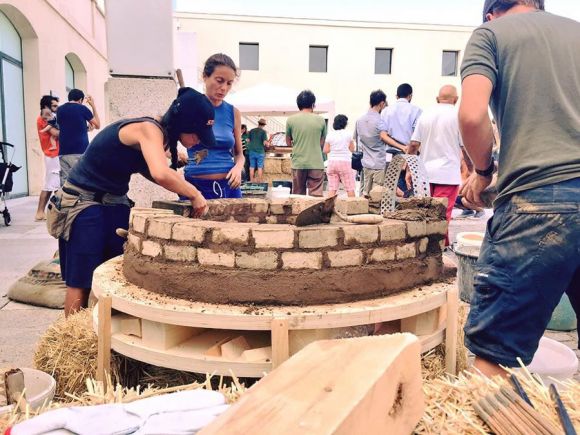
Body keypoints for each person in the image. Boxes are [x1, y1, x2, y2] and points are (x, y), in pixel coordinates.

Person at [459, 0, 580, 378]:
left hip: (539, 202)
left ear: (491, 12)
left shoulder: (491, 35)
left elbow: (472, 115)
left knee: (496, 354)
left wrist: (482, 171)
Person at [51, 87, 214, 316]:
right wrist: (195, 194)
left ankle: (105, 330)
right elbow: (159, 173)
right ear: (182, 123)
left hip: (114, 202)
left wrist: (183, 188)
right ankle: (72, 334)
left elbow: (151, 171)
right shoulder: (148, 129)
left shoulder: (161, 138)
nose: (198, 140)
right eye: (197, 133)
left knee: (114, 273)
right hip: (84, 203)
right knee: (82, 278)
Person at [183, 53, 244, 199]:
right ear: (205, 76)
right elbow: (163, 141)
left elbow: (239, 154)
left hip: (229, 186)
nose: (223, 88)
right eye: (219, 80)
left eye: (229, 83)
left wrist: (238, 168)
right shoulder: (189, 107)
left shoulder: (233, 112)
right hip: (194, 188)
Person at [408, 85, 464, 246]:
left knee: (425, 212)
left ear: (437, 98)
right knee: (442, 214)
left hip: (425, 174)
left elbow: (413, 144)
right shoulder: (458, 115)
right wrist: (474, 171)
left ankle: (428, 245)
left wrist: (410, 168)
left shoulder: (425, 114)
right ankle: (437, 248)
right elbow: (465, 148)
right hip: (448, 174)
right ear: (456, 99)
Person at [285, 90, 327, 196]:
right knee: (316, 196)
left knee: (298, 196)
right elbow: (321, 143)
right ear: (313, 104)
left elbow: (288, 142)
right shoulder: (321, 120)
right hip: (316, 162)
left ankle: (299, 213)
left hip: (298, 162)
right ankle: (315, 213)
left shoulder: (290, 120)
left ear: (298, 105)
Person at [56, 89, 100, 185]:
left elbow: (67, 127)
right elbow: (97, 125)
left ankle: (65, 199)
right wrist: (93, 105)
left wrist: (86, 128)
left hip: (63, 152)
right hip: (80, 151)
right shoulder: (82, 108)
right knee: (81, 182)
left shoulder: (59, 110)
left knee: (65, 183)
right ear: (80, 99)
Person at [354, 90, 390, 197]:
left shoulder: (359, 120)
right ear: (382, 104)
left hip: (365, 162)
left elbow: (356, 140)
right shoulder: (380, 121)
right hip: (378, 162)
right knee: (376, 195)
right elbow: (384, 137)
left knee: (365, 193)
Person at [35, 95, 60, 221]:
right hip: (52, 154)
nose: (56, 108)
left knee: (52, 184)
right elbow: (55, 133)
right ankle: (41, 212)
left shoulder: (50, 116)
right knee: (52, 184)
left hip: (54, 154)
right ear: (46, 106)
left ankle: (41, 212)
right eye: (54, 105)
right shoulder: (43, 118)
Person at [323, 114, 356, 197]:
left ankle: (328, 208)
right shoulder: (348, 134)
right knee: (349, 187)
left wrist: (334, 148)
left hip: (332, 162)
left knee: (332, 188)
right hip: (345, 162)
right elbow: (352, 149)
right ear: (345, 124)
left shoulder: (330, 134)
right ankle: (354, 207)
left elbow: (325, 150)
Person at [247, 118, 269, 182]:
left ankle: (251, 181)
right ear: (264, 125)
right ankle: (259, 182)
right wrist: (268, 144)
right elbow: (265, 143)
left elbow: (248, 140)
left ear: (258, 123)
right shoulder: (263, 132)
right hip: (260, 152)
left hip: (252, 151)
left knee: (251, 167)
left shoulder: (251, 130)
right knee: (259, 167)